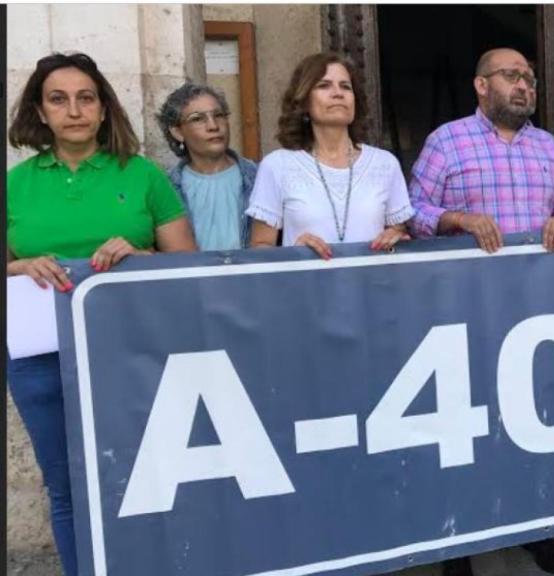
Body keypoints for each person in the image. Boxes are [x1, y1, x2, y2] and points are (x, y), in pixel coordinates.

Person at [6, 52, 197, 575]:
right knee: (66, 484)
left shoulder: (141, 176)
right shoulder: (15, 184)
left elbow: (189, 267)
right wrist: (18, 266)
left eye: (86, 98)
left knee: (148, 477)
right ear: (40, 112)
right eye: (58, 99)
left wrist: (141, 256)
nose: (74, 110)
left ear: (103, 108)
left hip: (133, 352)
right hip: (38, 359)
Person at [408, 47, 554, 576]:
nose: (524, 85)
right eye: (511, 76)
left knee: (530, 421)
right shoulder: (447, 140)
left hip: (532, 311)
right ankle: (458, 544)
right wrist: (457, 219)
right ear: (482, 86)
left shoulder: (546, 145)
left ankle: (534, 527)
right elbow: (411, 211)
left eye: (528, 78)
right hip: (466, 309)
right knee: (465, 426)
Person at [247, 52, 414, 256]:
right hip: (305, 285)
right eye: (324, 85)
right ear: (304, 101)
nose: (338, 93)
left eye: (346, 86)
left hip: (372, 284)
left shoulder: (385, 163)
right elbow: (259, 248)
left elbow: (399, 232)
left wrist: (396, 235)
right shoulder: (277, 165)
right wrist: (294, 251)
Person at [158, 82, 258, 250]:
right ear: (177, 132)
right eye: (197, 119)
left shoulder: (258, 177)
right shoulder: (165, 187)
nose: (213, 126)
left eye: (218, 115)